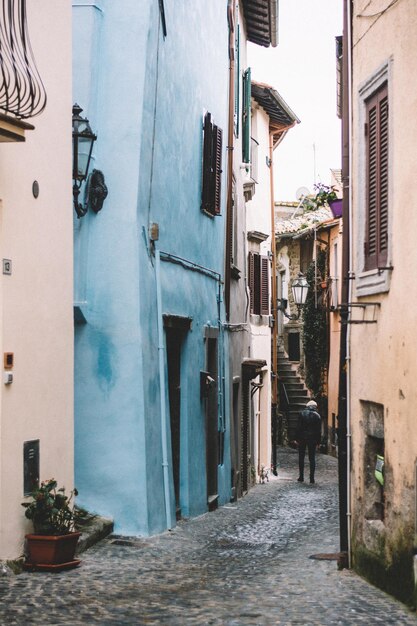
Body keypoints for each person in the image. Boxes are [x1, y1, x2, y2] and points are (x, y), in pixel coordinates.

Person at [295, 400, 322, 484]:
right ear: (315, 407)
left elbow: (298, 427)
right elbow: (318, 431)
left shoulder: (301, 414)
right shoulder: (317, 416)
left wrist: (296, 439)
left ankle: (301, 477)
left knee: (301, 457)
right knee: (312, 458)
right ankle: (312, 478)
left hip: (302, 438)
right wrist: (318, 442)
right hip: (312, 439)